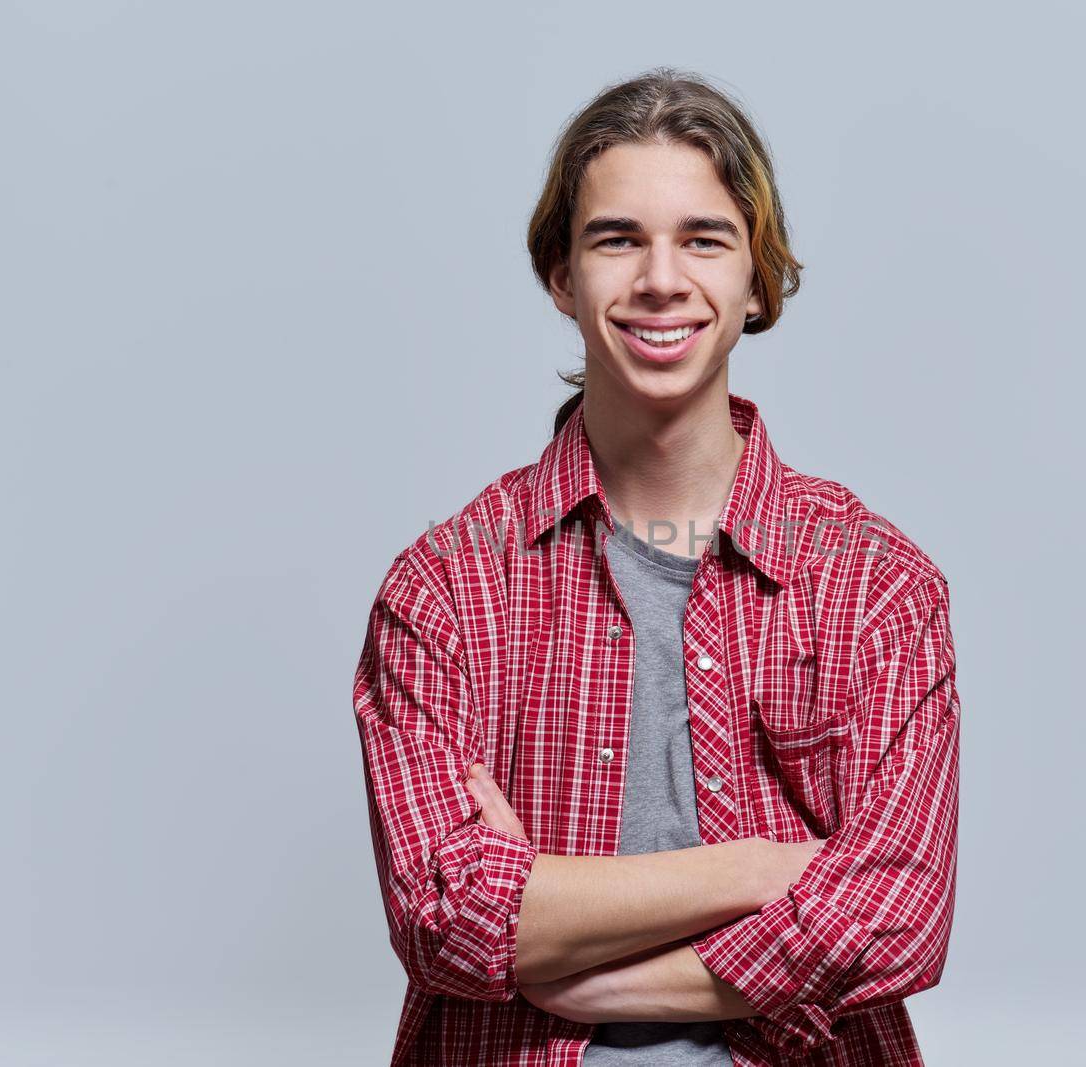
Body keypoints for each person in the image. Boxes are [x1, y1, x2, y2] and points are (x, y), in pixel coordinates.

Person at [352, 67, 962, 1067]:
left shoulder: (875, 582)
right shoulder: (445, 588)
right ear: (560, 275)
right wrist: (763, 867)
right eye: (616, 238)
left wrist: (555, 946)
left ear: (758, 277)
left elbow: (897, 912)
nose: (660, 280)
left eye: (703, 238)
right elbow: (445, 913)